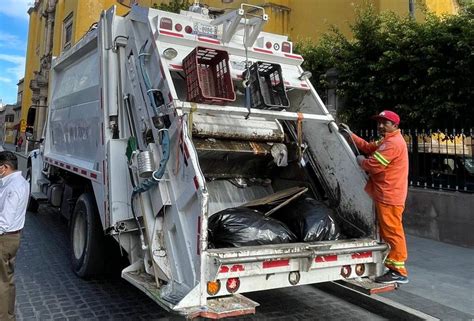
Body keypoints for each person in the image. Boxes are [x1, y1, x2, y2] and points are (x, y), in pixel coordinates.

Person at [340, 110, 409, 284]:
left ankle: (399, 271)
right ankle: (393, 267)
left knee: (393, 232)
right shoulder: (387, 141)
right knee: (389, 231)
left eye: (384, 123)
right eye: (379, 122)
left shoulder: (393, 143)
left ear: (395, 125)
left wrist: (361, 161)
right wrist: (351, 136)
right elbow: (369, 147)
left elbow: (374, 165)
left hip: (390, 195)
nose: (380, 126)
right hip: (386, 193)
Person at [0, 151, 29, 320]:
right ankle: (9, 315)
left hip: (5, 238)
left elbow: (4, 220)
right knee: (8, 279)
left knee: (2, 282)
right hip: (14, 237)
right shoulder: (22, 182)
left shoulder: (12, 187)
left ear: (5, 167)